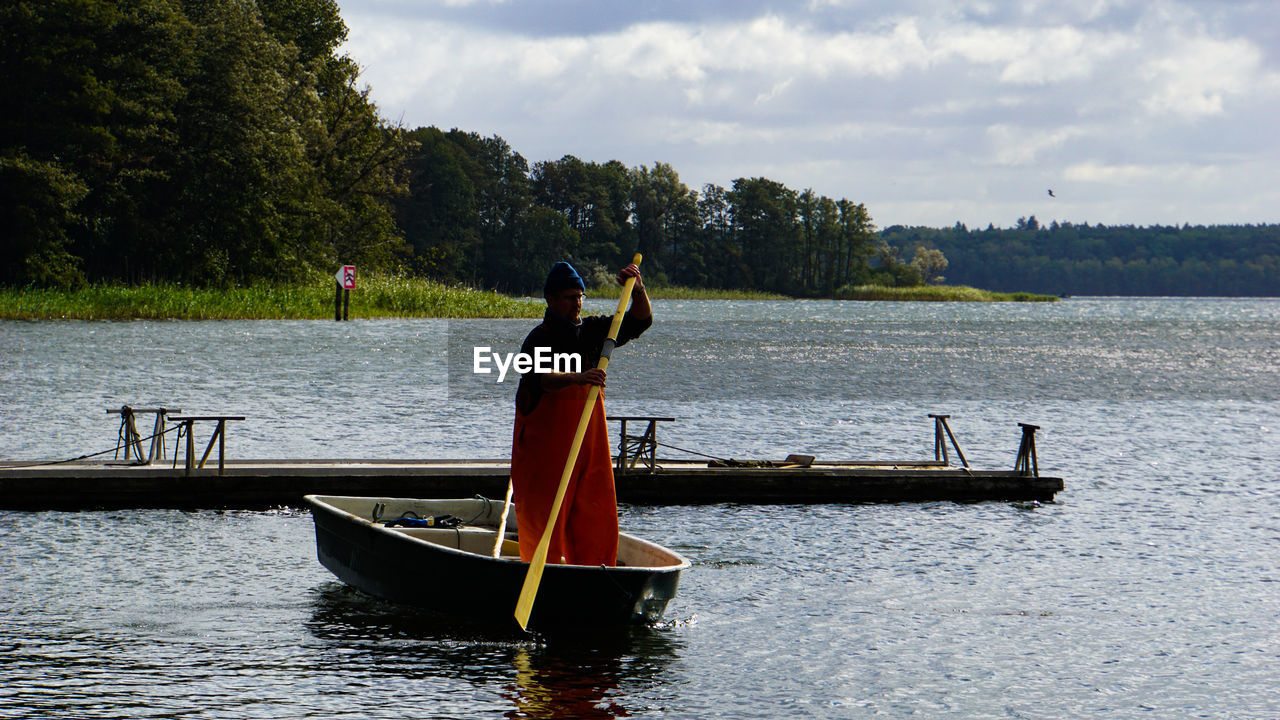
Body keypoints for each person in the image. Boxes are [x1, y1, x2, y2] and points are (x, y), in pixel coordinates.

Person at [510, 260, 651, 567]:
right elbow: (537, 378)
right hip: (544, 455)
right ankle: (543, 570)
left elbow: (640, 321)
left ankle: (594, 568)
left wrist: (638, 290)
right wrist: (576, 378)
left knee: (595, 512)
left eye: (580, 296)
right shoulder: (539, 338)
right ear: (550, 299)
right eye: (569, 297)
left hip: (587, 448)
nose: (577, 302)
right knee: (545, 519)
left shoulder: (593, 332)